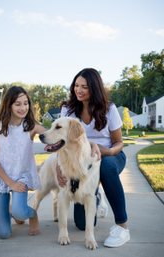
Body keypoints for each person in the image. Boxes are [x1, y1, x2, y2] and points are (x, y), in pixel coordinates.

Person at [58, 68, 129, 247]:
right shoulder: (67, 109)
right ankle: (96, 197)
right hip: (80, 161)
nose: (78, 90)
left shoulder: (109, 109)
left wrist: (106, 151)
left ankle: (122, 226)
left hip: (110, 157)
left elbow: (119, 142)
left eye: (84, 87)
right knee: (82, 225)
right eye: (76, 85)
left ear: (95, 88)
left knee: (104, 166)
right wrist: (60, 167)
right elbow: (62, 142)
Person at [0, 86, 46, 239]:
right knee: (4, 234)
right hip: (1, 178)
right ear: (9, 105)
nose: (23, 108)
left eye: (26, 103)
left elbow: (55, 138)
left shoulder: (31, 126)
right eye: (18, 104)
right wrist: (10, 183)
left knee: (21, 213)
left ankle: (32, 214)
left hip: (21, 177)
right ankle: (11, 210)